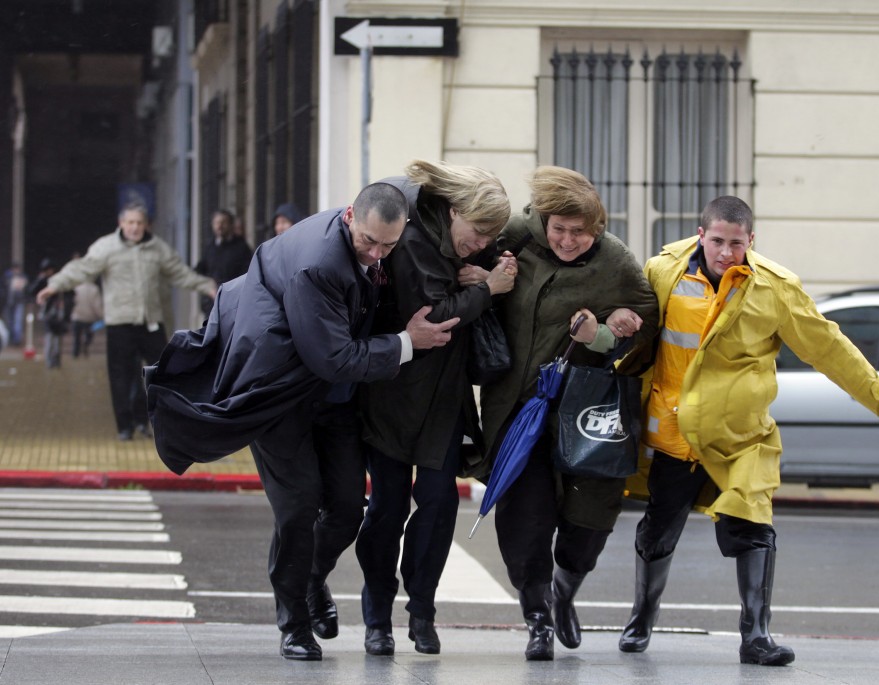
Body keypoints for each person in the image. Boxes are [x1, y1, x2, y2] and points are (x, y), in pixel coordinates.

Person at [145, 182, 461, 662]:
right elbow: (334, 358)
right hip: (278, 393)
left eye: (389, 246)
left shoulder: (375, 236)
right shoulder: (318, 263)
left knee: (349, 507)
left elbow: (414, 196)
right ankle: (293, 623)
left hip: (330, 398)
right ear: (350, 215)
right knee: (298, 508)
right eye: (370, 242)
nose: (378, 254)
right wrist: (408, 341)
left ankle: (311, 579)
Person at [614, 195, 879, 666]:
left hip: (741, 436)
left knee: (754, 526)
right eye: (717, 241)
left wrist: (878, 397)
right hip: (674, 432)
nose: (726, 253)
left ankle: (756, 635)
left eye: (736, 243)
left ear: (752, 240)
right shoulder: (663, 272)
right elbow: (634, 333)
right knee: (658, 531)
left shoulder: (774, 288)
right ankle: (641, 618)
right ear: (701, 234)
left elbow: (826, 345)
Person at [478, 166, 659, 661]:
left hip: (584, 412)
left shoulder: (617, 261)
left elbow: (646, 320)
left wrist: (609, 330)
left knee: (588, 526)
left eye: (579, 231)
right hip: (520, 410)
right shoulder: (517, 235)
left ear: (597, 227)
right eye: (559, 228)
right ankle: (536, 617)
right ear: (543, 220)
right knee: (526, 520)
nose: (567, 239)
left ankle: (564, 591)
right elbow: (472, 257)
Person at [351, 160, 515, 657]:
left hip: (446, 398)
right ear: (453, 211)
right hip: (393, 395)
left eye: (491, 235)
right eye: (478, 231)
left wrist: (489, 272)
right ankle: (377, 616)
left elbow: (519, 243)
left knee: (440, 504)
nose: (482, 242)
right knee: (387, 508)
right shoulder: (414, 238)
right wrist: (487, 289)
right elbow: (435, 319)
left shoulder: (470, 240)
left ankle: (422, 609)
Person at [36, 203, 216, 440]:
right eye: (130, 222)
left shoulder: (158, 248)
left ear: (146, 225)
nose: (135, 227)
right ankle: (125, 425)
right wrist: (54, 286)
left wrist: (207, 286)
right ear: (121, 224)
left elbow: (179, 272)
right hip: (119, 323)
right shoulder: (106, 247)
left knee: (159, 373)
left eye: (139, 223)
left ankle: (148, 420)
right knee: (121, 375)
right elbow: (82, 269)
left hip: (150, 321)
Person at [195, 209, 252, 316]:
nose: (220, 226)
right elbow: (201, 269)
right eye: (216, 223)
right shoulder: (210, 247)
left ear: (230, 225)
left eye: (223, 222)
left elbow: (247, 272)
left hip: (234, 303)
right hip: (212, 304)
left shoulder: (241, 247)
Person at [29, 258, 71, 369]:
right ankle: (49, 362)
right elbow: (32, 291)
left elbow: (69, 294)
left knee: (57, 340)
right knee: (50, 338)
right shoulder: (42, 281)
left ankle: (56, 361)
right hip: (48, 314)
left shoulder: (59, 280)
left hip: (59, 314)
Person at [71, 278, 103, 358]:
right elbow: (97, 304)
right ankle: (85, 346)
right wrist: (101, 315)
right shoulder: (94, 289)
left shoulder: (76, 287)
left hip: (77, 316)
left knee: (76, 337)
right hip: (89, 317)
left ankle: (75, 353)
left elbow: (72, 301)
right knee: (89, 335)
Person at [3, 263, 28, 346]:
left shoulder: (22, 277)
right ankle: (11, 338)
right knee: (10, 321)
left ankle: (16, 340)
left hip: (19, 302)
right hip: (9, 302)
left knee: (17, 321)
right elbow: (3, 288)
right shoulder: (7, 277)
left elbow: (26, 289)